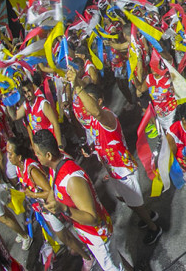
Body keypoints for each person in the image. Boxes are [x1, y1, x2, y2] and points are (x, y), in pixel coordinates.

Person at [69, 72, 163, 245]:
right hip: (114, 170)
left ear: (98, 101)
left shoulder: (106, 116)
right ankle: (146, 213)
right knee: (125, 198)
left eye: (88, 101)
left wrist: (78, 86)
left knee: (131, 200)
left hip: (123, 170)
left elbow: (95, 112)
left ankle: (153, 227)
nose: (85, 106)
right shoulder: (93, 121)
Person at [32, 129, 124, 271]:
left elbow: (92, 218)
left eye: (38, 153)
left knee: (114, 267)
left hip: (97, 235)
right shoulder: (55, 165)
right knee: (118, 261)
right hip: (87, 232)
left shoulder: (72, 180)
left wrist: (63, 208)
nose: (36, 157)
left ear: (48, 155)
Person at [6, 136, 90, 262]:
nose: (8, 156)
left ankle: (87, 258)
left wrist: (33, 195)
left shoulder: (32, 170)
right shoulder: (19, 167)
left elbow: (50, 191)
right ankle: (81, 248)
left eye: (11, 153)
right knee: (65, 235)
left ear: (19, 157)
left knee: (64, 236)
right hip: (44, 209)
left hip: (52, 207)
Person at [15, 79, 62, 146]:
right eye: (25, 92)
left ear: (33, 89)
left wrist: (59, 144)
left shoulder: (42, 103)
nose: (28, 94)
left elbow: (55, 123)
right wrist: (9, 102)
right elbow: (15, 116)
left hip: (50, 139)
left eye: (29, 90)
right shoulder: (26, 105)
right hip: (40, 143)